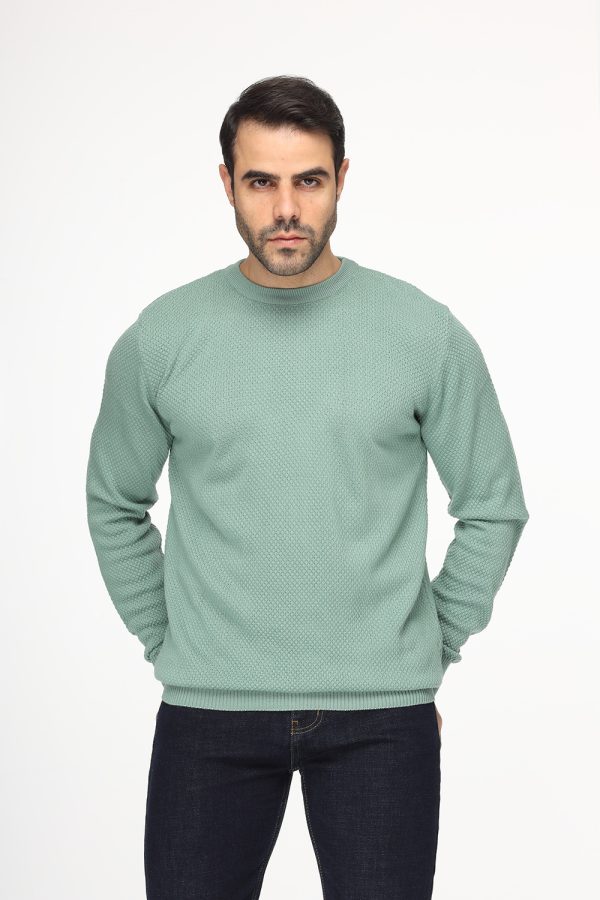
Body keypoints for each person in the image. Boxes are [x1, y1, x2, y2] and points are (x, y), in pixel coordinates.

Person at [85, 74, 530, 900]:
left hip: (382, 722)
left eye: (309, 181)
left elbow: (494, 505)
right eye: (261, 181)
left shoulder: (422, 333)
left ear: (342, 179)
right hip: (208, 712)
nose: (286, 208)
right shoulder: (163, 339)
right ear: (227, 183)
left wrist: (429, 647)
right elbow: (115, 501)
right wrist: (165, 638)